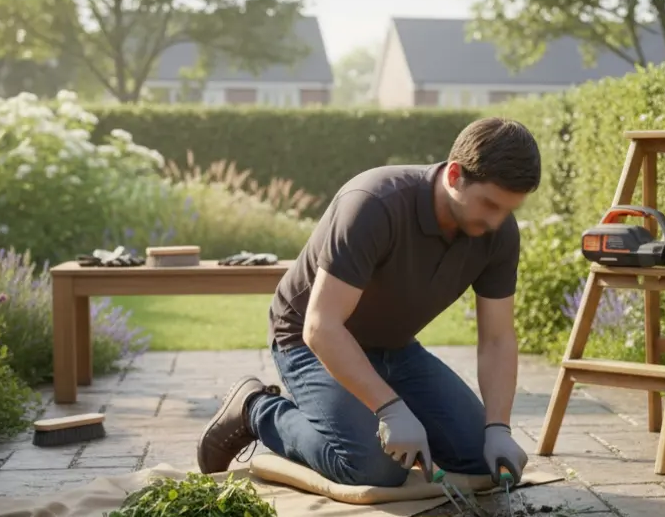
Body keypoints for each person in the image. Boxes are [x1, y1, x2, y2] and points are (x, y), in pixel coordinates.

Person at [195, 116, 539, 489]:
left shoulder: (498, 231)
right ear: (455, 175)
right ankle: (256, 411)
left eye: (508, 209)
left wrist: (498, 428)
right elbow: (320, 326)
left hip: (394, 348)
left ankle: (399, 417)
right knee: (375, 469)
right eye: (489, 204)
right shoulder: (375, 203)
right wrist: (391, 409)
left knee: (480, 458)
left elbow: (498, 339)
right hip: (307, 340)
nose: (496, 221)